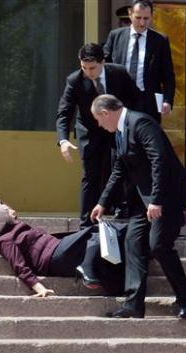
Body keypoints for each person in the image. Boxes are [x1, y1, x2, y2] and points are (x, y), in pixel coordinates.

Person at [89, 94, 186, 319]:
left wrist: (156, 199)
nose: (99, 125)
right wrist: (102, 202)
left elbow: (160, 160)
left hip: (165, 196)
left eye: (98, 119)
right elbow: (120, 169)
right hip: (143, 200)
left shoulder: (141, 123)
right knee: (133, 243)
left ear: (105, 113)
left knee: (159, 246)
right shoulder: (120, 131)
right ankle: (133, 305)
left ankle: (185, 300)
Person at [56, 43, 137, 227]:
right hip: (90, 131)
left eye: (92, 68)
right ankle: (86, 223)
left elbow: (135, 99)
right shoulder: (75, 80)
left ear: (103, 62)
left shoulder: (118, 73)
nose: (88, 72)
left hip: (116, 128)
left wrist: (133, 126)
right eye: (84, 67)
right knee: (90, 174)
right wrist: (63, 140)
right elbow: (64, 112)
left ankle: (122, 209)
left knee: (121, 165)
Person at [0, 200, 124, 297]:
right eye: (7, 210)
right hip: (53, 257)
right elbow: (19, 266)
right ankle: (86, 268)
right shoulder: (5, 240)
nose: (13, 210)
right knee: (96, 233)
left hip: (58, 250)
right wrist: (39, 288)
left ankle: (117, 285)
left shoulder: (18, 229)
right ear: (1, 217)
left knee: (105, 242)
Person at [103, 0, 175, 122]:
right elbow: (104, 65)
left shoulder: (160, 41)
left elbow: (168, 75)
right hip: (120, 99)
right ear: (130, 13)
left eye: (146, 18)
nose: (142, 23)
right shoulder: (116, 36)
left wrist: (167, 100)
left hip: (147, 101)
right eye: (138, 18)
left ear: (152, 16)